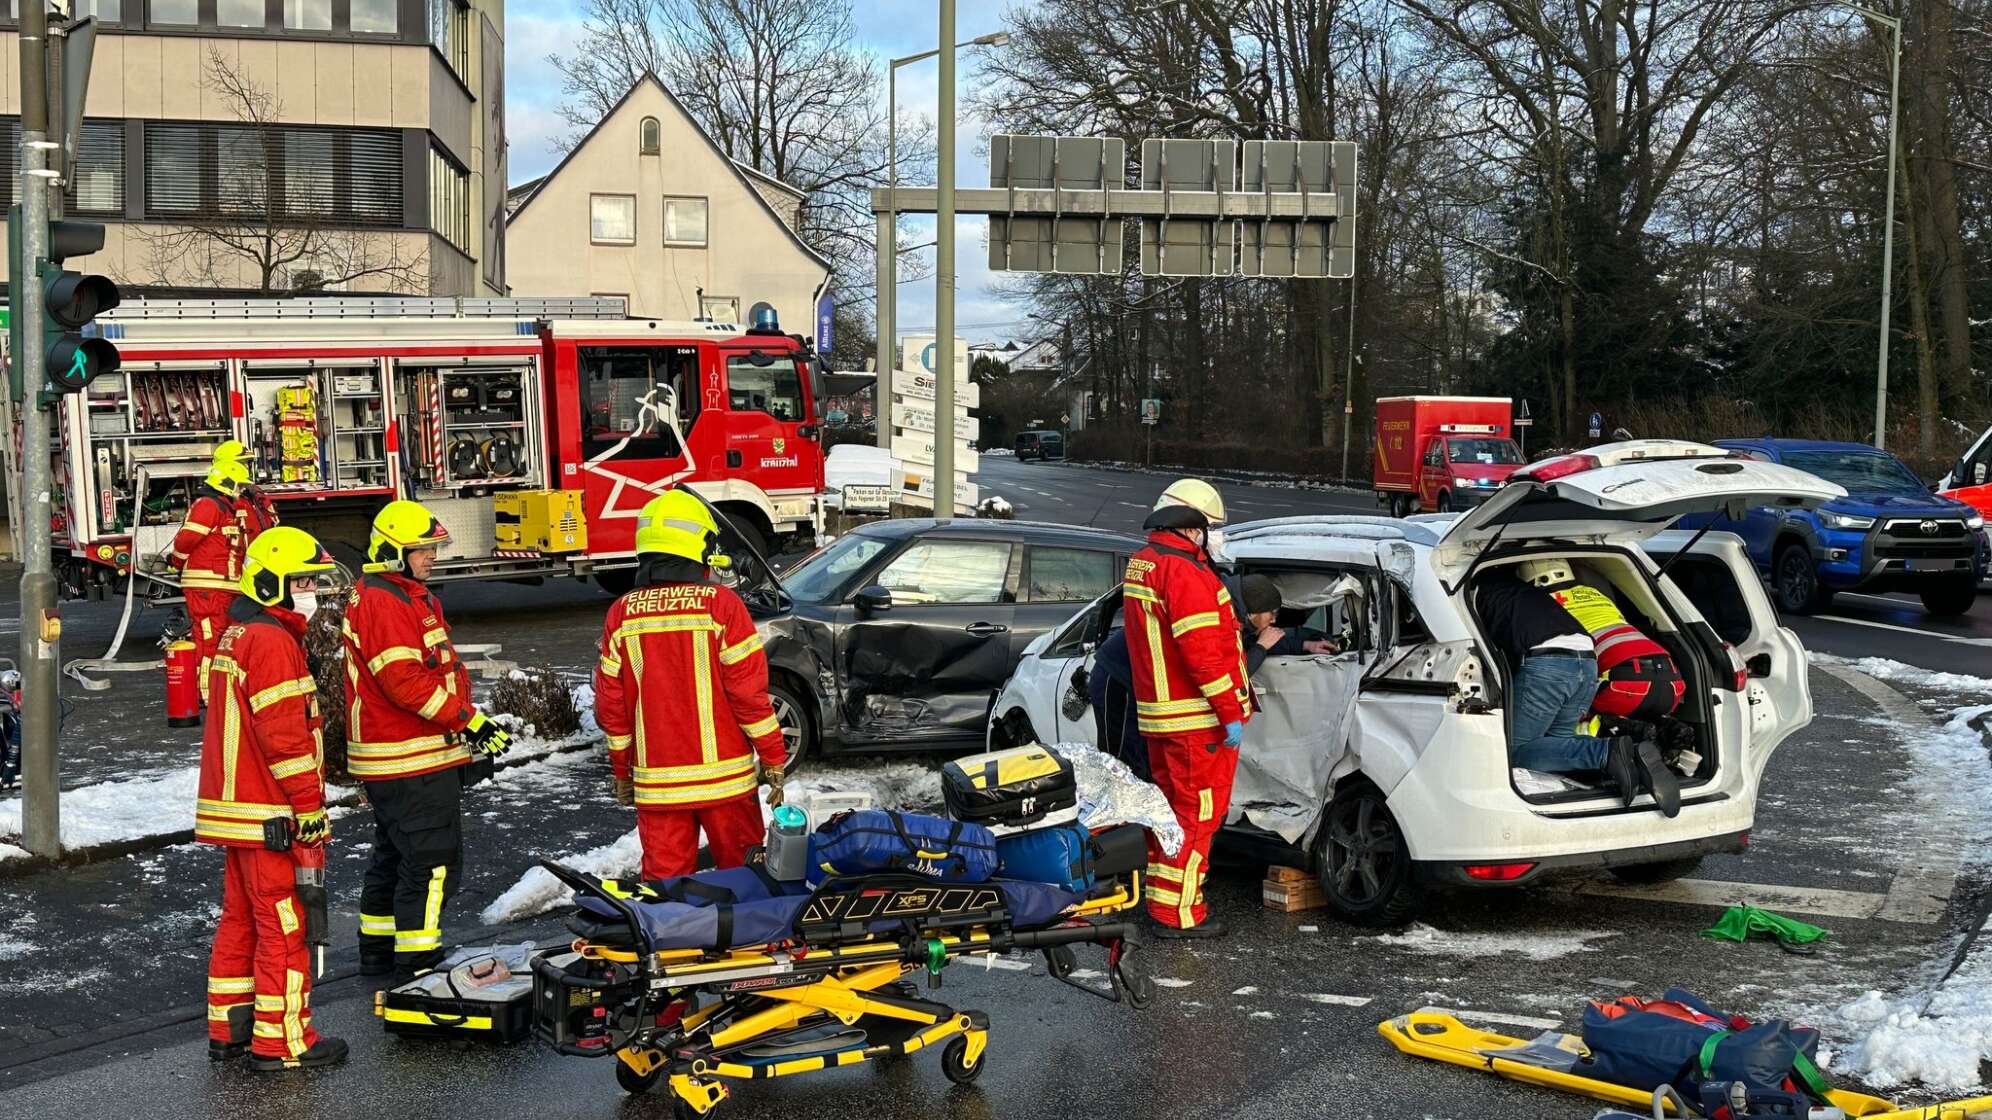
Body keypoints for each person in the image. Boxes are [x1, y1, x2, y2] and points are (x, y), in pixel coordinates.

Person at [195, 526, 348, 1072]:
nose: (310, 589)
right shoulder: (273, 641)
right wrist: (308, 808)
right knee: (285, 926)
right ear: (271, 584)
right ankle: (283, 1044)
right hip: (269, 814)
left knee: (241, 920)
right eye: (302, 580)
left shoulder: (238, 634)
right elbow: (285, 739)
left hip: (235, 812)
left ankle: (229, 1030)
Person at [344, 501, 511, 977]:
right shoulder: (385, 600)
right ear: (395, 550)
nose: (431, 557)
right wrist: (468, 721)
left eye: (433, 548)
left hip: (400, 757)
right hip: (408, 758)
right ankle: (418, 958)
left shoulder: (393, 594)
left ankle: (378, 949)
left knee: (393, 856)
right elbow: (405, 682)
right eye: (422, 550)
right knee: (431, 863)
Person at [594, 490, 787, 882]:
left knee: (665, 893)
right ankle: (744, 944)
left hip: (659, 788)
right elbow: (749, 696)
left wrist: (621, 772)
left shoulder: (622, 613)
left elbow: (611, 708)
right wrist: (772, 757)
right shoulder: (722, 606)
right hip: (726, 784)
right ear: (701, 547)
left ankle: (670, 944)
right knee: (746, 882)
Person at [1123, 478, 1253, 939]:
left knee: (1172, 814)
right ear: (1192, 527)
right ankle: (1178, 915)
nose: (1215, 536)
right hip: (1197, 720)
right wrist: (1229, 712)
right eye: (1212, 528)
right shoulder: (1186, 574)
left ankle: (1163, 900)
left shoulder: (1145, 562)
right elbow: (1202, 654)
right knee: (1198, 817)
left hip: (1162, 715)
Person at [1477, 564, 1678, 816]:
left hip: (1548, 662)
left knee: (1514, 753)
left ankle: (1607, 752)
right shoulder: (1524, 594)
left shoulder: (1475, 593)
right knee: (1557, 747)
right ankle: (1635, 757)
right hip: (1587, 660)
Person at [168, 444, 266, 695]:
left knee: (221, 638)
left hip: (223, 587)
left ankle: (217, 691)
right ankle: (206, 694)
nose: (243, 484)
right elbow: (185, 541)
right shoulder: (209, 506)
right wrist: (176, 562)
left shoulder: (227, 506)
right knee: (209, 640)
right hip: (208, 588)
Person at [1237, 574, 1339, 676]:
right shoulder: (1225, 631)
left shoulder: (1245, 631)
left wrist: (1308, 645)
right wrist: (1260, 647)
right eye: (1271, 613)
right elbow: (1236, 677)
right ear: (1251, 614)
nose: (1273, 620)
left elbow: (1274, 646)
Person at [1087, 627, 1149, 782]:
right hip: (1116, 677)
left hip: (1137, 679)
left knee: (1141, 760)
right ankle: (1116, 802)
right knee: (1121, 763)